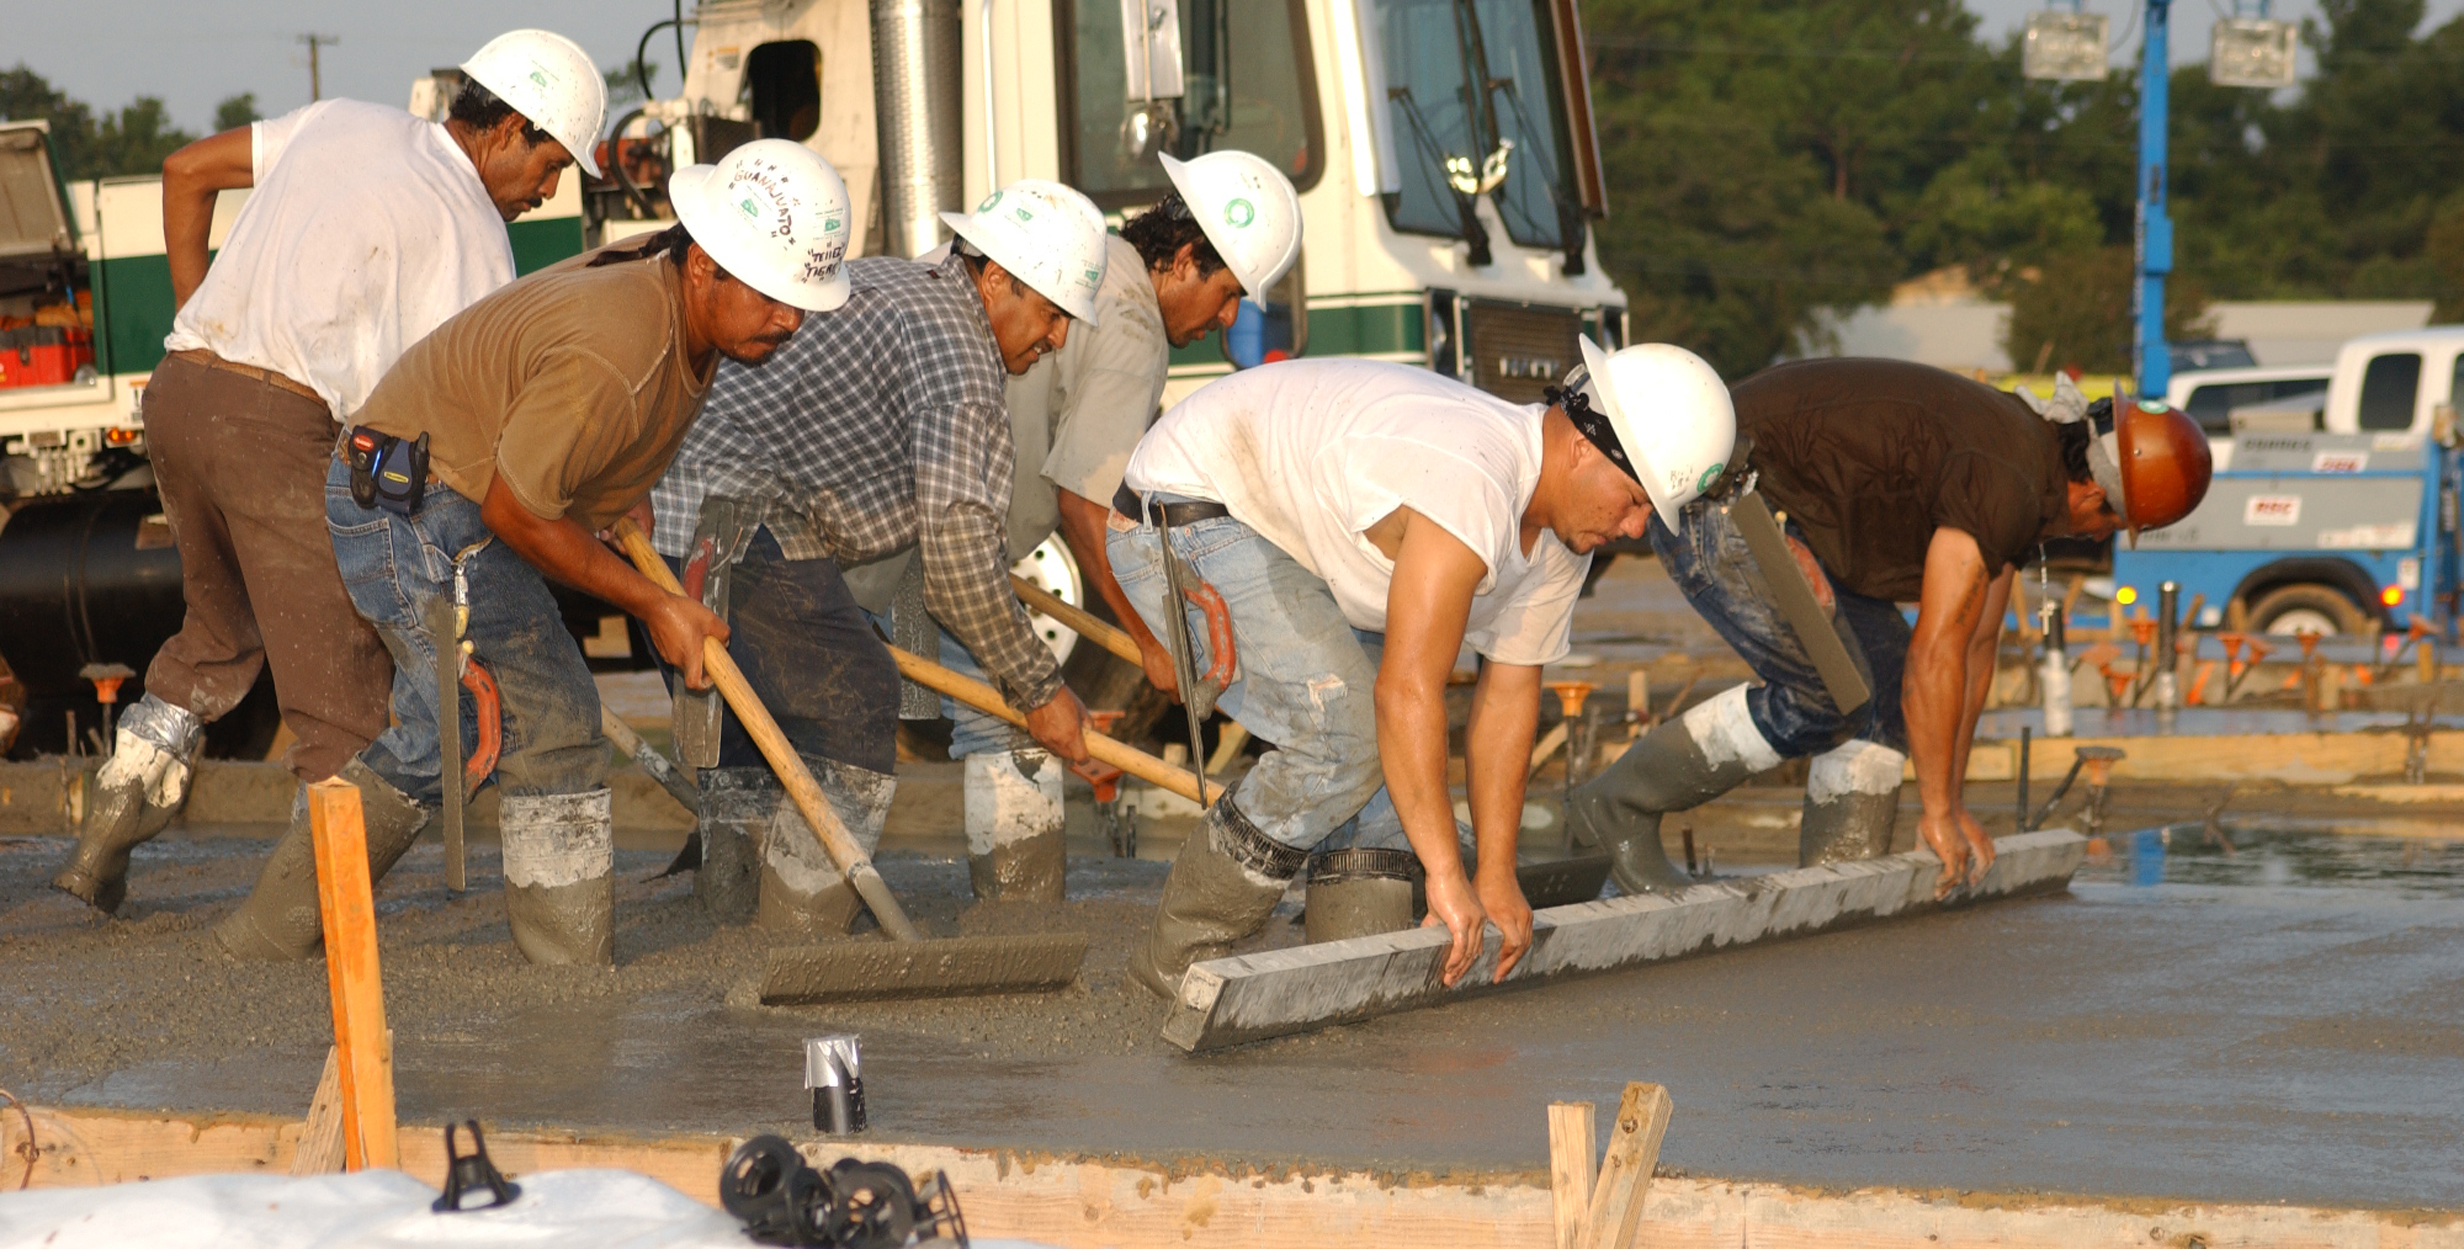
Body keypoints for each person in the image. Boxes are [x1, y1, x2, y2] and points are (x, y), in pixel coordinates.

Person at [212, 140, 853, 965]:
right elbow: (520, 510)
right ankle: (275, 939)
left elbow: (563, 431)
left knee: (525, 719)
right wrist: (656, 604)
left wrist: (617, 492)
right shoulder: (620, 346)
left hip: (461, 487)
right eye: (773, 295)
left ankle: (554, 963)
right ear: (705, 266)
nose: (791, 320)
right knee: (482, 719)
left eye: (803, 301)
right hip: (411, 495)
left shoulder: (674, 302)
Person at [54, 30, 608, 914]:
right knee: (343, 696)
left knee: (216, 634)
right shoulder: (473, 238)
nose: (545, 195)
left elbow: (184, 171)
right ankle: (308, 927)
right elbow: (465, 439)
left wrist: (199, 314)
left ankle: (100, 844)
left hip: (182, 392)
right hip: (280, 427)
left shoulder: (344, 120)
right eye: (548, 166)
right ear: (506, 128)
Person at [1109, 344, 1734, 997]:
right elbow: (1405, 694)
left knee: (1401, 788)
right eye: (1635, 500)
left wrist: (1494, 872)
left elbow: (1507, 702)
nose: (1634, 529)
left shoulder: (1558, 541)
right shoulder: (1473, 476)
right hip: (1182, 510)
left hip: (1293, 540)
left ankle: (1346, 966)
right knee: (1346, 736)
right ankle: (1175, 964)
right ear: (1586, 447)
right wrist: (1445, 871)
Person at [646, 179, 1111, 934]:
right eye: (1054, 312)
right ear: (994, 277)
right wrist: (1040, 689)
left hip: (672, 502)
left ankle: (729, 920)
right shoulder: (961, 359)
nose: (1058, 338)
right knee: (855, 693)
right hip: (733, 512)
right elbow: (960, 563)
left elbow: (920, 533)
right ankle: (802, 931)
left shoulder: (909, 283)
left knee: (749, 733)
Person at [1568, 359, 2213, 899]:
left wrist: (1952, 802)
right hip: (1718, 497)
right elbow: (1938, 654)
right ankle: (1618, 807)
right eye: (2110, 529)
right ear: (2098, 500)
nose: (2099, 539)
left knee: (1881, 698)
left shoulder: (2026, 463)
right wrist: (1934, 813)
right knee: (1825, 696)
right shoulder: (2006, 481)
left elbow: (1975, 651)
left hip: (1790, 515)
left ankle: (1835, 886)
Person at [945, 151, 1301, 902]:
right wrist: (1149, 639)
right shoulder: (1134, 323)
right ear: (1178, 261)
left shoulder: (1094, 261)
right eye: (1228, 293)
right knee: (1010, 720)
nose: (1229, 319)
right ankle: (1019, 919)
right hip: (939, 531)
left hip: (939, 523)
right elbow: (1082, 502)